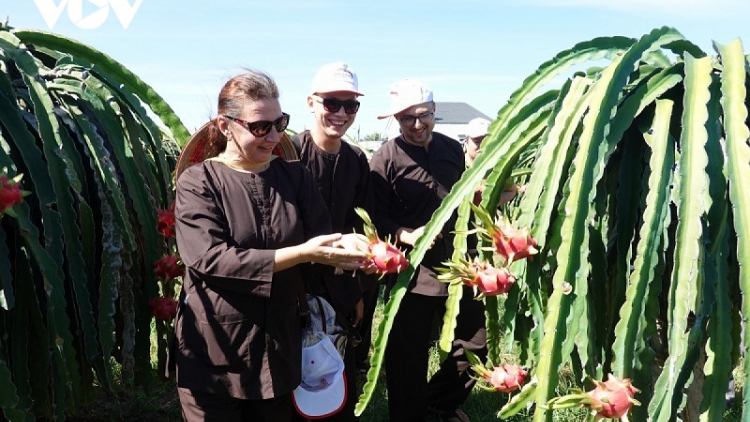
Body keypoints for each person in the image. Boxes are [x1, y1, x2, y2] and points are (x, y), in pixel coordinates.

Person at [171, 70, 369, 422]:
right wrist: (304, 253)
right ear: (225, 125)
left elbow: (321, 235)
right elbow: (210, 259)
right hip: (214, 349)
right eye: (261, 127)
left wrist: (350, 244)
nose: (274, 137)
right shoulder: (199, 181)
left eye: (280, 123)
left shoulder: (293, 176)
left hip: (279, 347)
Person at [369, 79, 487, 422]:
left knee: (475, 343)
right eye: (407, 118)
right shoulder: (384, 158)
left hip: (459, 264)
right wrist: (405, 233)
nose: (417, 125)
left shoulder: (451, 149)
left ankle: (438, 404)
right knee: (408, 356)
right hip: (412, 272)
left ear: (435, 112)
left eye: (424, 115)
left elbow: (463, 201)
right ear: (397, 120)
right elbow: (373, 215)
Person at [295, 61, 373, 421]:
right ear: (311, 102)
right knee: (295, 381)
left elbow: (360, 226)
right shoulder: (288, 154)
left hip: (338, 285)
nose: (341, 113)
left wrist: (355, 290)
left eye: (350, 105)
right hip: (293, 283)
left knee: (337, 379)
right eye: (331, 103)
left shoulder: (357, 159)